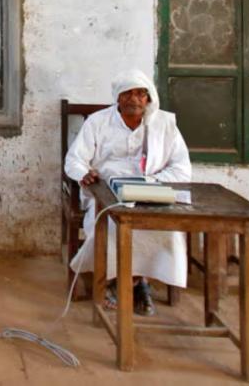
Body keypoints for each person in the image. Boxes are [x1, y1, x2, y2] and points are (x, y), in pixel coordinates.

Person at [64, 68, 191, 315]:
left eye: (141, 94)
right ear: (118, 98)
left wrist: (151, 181)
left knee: (164, 229)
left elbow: (182, 169)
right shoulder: (98, 122)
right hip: (107, 193)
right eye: (128, 94)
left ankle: (138, 280)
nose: (134, 99)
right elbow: (74, 160)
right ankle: (116, 281)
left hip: (152, 192)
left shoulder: (164, 125)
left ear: (149, 99)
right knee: (112, 226)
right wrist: (84, 174)